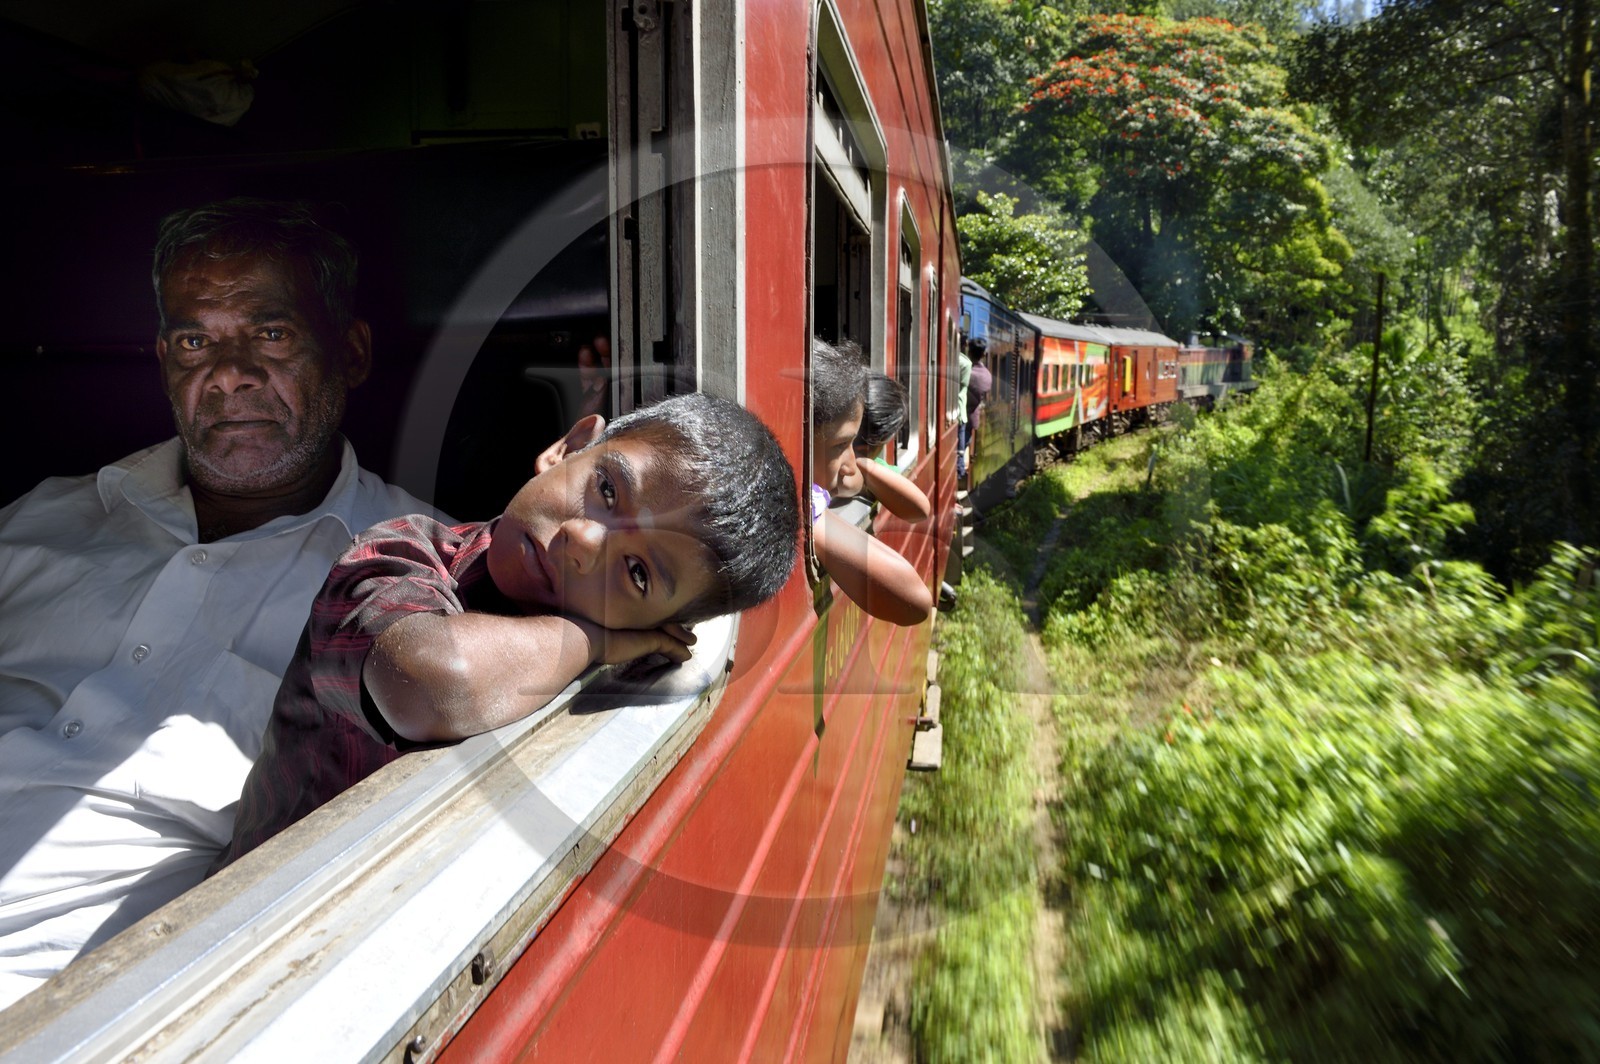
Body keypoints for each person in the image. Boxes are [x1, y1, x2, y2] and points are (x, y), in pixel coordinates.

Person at [0, 198, 434, 1007]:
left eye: (270, 335)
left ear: (351, 351)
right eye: (197, 341)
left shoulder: (417, 576)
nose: (229, 374)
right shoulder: (36, 523)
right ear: (166, 361)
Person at [213, 392, 799, 866]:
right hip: (255, 906)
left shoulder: (632, 657)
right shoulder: (401, 553)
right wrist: (595, 642)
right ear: (566, 448)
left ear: (661, 626)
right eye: (608, 490)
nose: (584, 542)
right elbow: (430, 680)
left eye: (639, 573)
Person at [809, 340, 932, 626]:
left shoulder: (849, 470)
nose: (851, 463)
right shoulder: (802, 503)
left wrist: (864, 469)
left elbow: (920, 509)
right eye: (844, 444)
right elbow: (914, 601)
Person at [836, 373, 932, 524]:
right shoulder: (871, 469)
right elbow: (920, 510)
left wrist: (856, 458)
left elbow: (920, 509)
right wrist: (862, 460)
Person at [964, 337, 993, 476]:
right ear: (983, 354)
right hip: (972, 420)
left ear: (968, 351)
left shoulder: (965, 370)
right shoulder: (986, 375)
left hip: (962, 420)